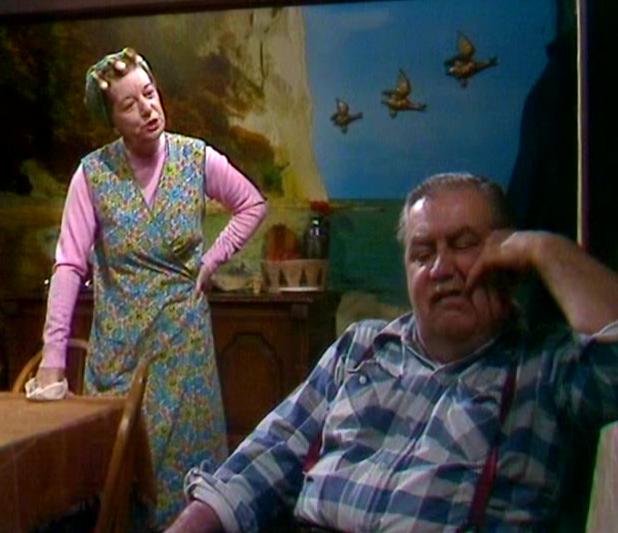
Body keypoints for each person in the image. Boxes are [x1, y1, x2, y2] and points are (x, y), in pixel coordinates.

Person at [166, 172, 618, 532]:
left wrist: (544, 248)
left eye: (464, 245)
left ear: (509, 259)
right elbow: (258, 465)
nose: (441, 269)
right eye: (423, 253)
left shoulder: (546, 370)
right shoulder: (362, 349)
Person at [35, 47, 267, 528]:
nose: (147, 109)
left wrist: (212, 259)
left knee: (185, 489)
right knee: (118, 487)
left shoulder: (195, 158)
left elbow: (251, 204)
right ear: (112, 120)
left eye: (149, 93)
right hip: (119, 355)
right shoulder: (93, 175)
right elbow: (69, 266)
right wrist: (53, 357)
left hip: (184, 351)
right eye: (129, 104)